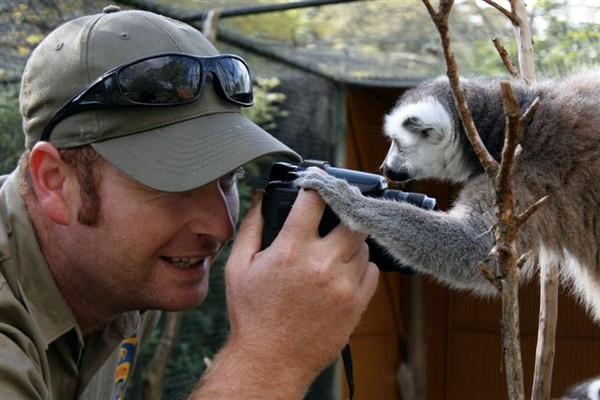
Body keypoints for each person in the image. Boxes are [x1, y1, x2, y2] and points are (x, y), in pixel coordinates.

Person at [0, 6, 379, 400]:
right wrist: (269, 361)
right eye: (173, 186)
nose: (220, 227)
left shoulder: (119, 277)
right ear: (56, 182)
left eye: (229, 178)